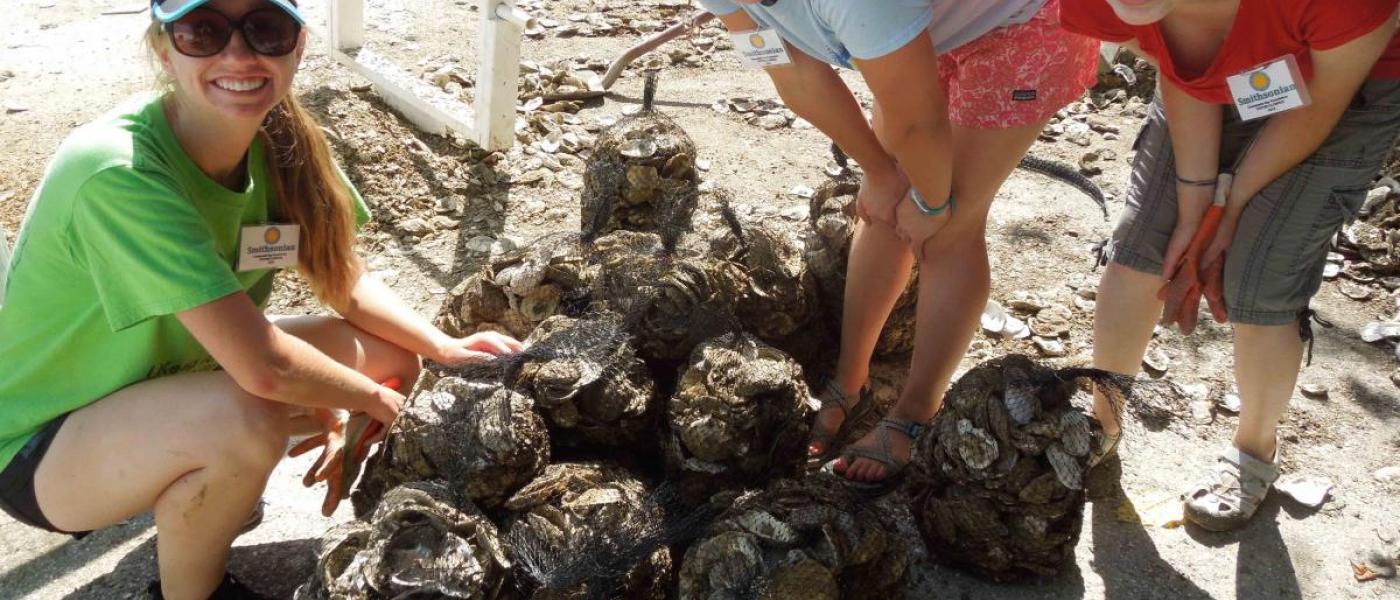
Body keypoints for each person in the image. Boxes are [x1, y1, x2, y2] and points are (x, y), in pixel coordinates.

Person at [0, 1, 522, 598]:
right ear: (162, 50)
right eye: (205, 31)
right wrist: (372, 402)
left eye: (265, 29)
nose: (240, 55)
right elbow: (265, 369)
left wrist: (441, 348)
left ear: (297, 45)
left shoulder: (275, 139)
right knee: (248, 420)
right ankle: (193, 585)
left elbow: (342, 277)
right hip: (44, 448)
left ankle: (206, 496)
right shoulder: (118, 171)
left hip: (178, 378)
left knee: (391, 356)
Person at [696, 0, 1099, 491]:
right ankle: (849, 382)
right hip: (926, 27)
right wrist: (879, 174)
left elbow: (917, 123)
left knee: (950, 230)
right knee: (883, 213)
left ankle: (914, 412)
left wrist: (930, 203)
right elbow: (791, 73)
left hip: (1022, 26)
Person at [1061, 0, 1400, 530]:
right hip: (1250, 67)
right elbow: (1186, 73)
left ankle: (1254, 450)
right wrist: (1199, 208)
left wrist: (1232, 205)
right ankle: (1101, 420)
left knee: (1260, 280)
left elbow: (1317, 101)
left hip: (1345, 84)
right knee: (1146, 243)